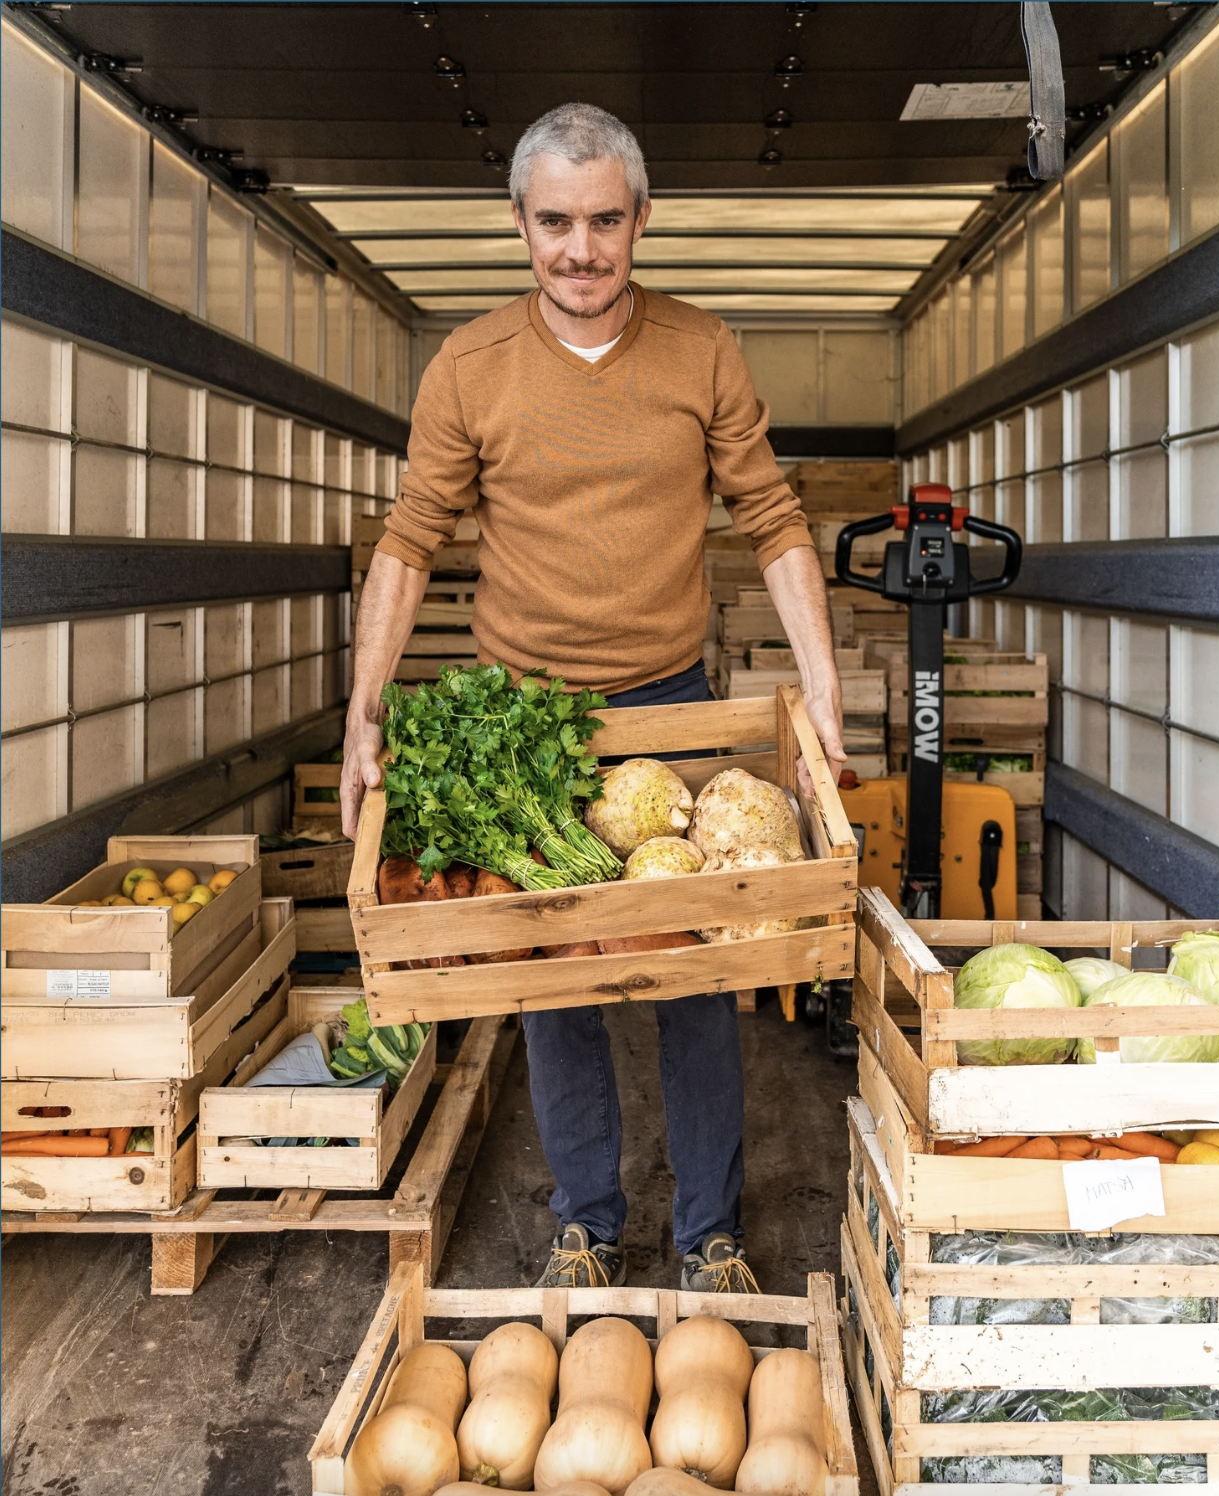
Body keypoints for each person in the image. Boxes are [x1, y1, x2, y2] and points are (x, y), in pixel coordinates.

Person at [341, 102, 846, 1293]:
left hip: (671, 703)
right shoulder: (469, 364)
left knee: (697, 972)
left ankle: (709, 1228)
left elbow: (770, 518)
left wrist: (820, 689)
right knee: (551, 980)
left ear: (641, 219)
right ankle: (584, 1215)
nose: (581, 249)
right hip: (526, 724)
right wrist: (364, 710)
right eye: (556, 222)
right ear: (519, 223)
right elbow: (410, 540)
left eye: (604, 221)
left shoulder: (701, 348)